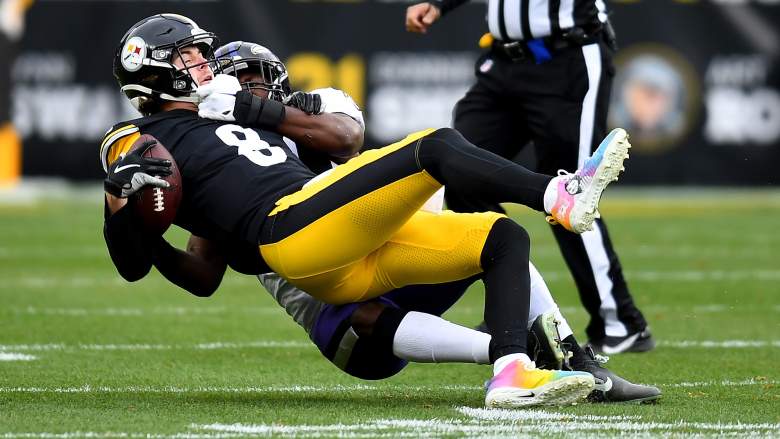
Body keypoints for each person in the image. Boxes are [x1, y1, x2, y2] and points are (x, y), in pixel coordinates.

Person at [101, 14, 630, 408]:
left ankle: (512, 369)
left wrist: (247, 108)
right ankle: (557, 193)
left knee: (501, 237)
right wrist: (137, 227)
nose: (204, 63)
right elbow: (138, 255)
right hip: (289, 229)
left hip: (338, 257)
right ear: (152, 71)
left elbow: (341, 138)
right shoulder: (141, 138)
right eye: (187, 57)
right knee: (437, 146)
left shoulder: (234, 117)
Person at [213, 39, 658, 402]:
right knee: (362, 315)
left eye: (253, 81)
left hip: (378, 256)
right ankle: (513, 351)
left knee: (493, 236)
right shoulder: (222, 160)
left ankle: (571, 361)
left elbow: (345, 137)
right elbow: (206, 263)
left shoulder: (305, 112)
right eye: (235, 84)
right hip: (332, 296)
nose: (245, 91)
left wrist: (269, 115)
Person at [405, 1, 654, 354]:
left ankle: (620, 322)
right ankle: (516, 309)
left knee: (571, 194)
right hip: (503, 63)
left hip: (565, 58)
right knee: (460, 172)